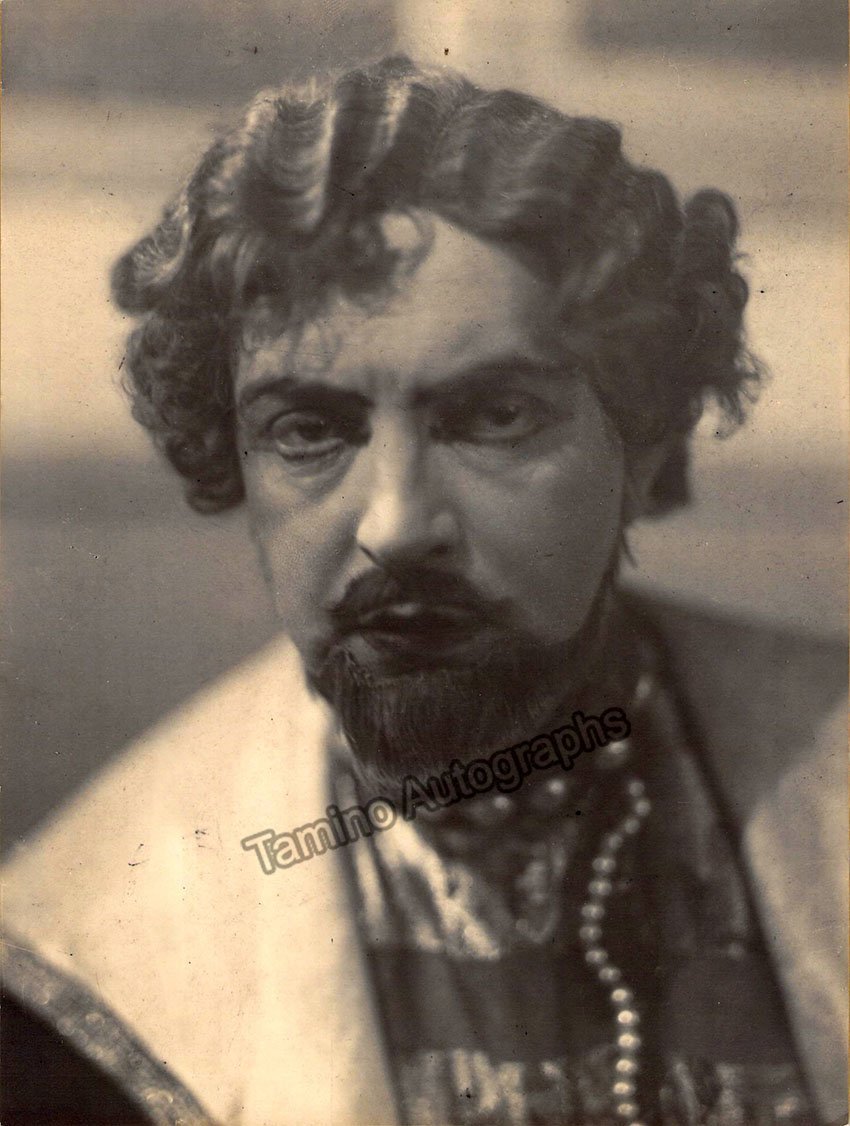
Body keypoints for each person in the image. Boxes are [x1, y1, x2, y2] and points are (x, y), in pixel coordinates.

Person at [2, 56, 845, 1126]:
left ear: (640, 442)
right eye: (308, 430)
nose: (396, 525)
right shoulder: (79, 972)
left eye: (493, 417)